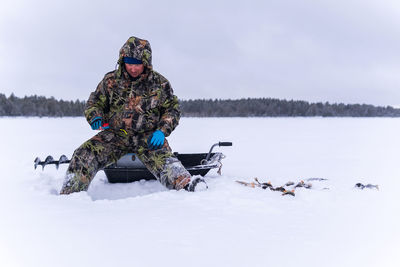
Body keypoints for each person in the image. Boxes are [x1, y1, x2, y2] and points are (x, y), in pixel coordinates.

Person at [60, 36, 207, 194]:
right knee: (84, 153)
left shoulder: (160, 83)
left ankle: (189, 185)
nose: (133, 69)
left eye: (138, 65)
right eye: (130, 64)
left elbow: (172, 109)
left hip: (148, 136)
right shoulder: (110, 81)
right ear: (123, 61)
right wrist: (95, 116)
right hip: (115, 135)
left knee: (164, 161)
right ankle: (70, 194)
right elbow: (94, 102)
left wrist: (162, 131)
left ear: (146, 63)